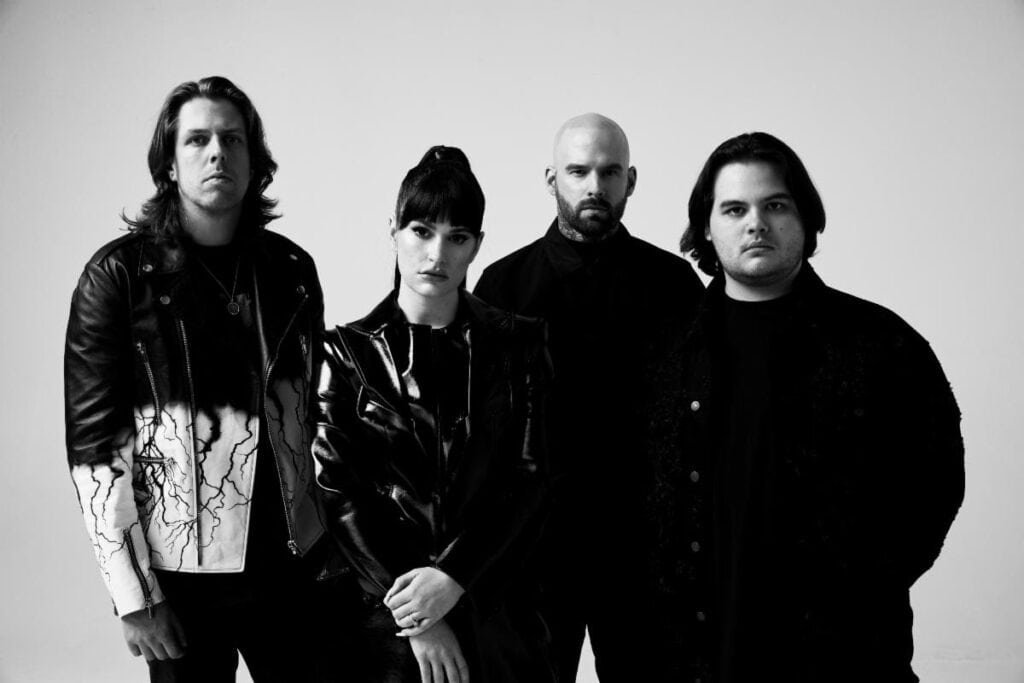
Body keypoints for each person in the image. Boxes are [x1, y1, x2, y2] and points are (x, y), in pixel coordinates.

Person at [644, 131, 965, 682]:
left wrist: (859, 591)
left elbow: (934, 486)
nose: (756, 224)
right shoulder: (663, 353)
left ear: (806, 219)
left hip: (847, 659)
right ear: (707, 227)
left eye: (775, 205)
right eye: (735, 209)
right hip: (693, 659)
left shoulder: (883, 344)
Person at [64, 76, 326, 681]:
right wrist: (134, 597)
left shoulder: (290, 271)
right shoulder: (117, 277)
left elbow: (308, 417)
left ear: (254, 161)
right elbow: (95, 452)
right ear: (169, 163)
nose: (216, 154)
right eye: (198, 139)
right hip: (180, 579)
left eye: (232, 140)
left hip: (291, 567)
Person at [473, 113, 704, 681]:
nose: (595, 186)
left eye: (609, 172)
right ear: (551, 179)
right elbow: (483, 434)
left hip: (642, 551)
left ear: (631, 180)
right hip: (534, 554)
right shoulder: (503, 284)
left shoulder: (673, 284)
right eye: (578, 171)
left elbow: (699, 421)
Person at [313, 146, 554, 683]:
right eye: (421, 231)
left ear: (477, 245)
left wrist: (453, 578)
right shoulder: (344, 354)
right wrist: (417, 615)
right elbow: (337, 492)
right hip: (385, 625)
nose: (436, 255)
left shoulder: (520, 345)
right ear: (393, 231)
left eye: (457, 237)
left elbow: (531, 480)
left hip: (496, 610)